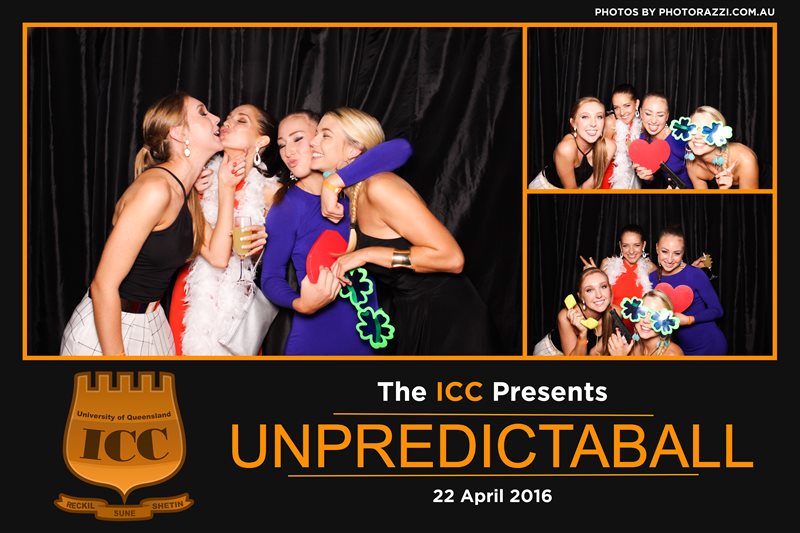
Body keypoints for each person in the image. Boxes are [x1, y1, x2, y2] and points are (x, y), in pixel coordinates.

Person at [60, 91, 244, 355]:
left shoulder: (185, 192)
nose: (216, 118)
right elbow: (103, 286)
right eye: (203, 112)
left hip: (153, 322)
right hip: (109, 328)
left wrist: (225, 186)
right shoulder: (156, 190)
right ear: (179, 133)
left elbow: (218, 256)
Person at [315, 107, 498, 354]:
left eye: (325, 135)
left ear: (353, 150)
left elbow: (452, 258)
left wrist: (367, 254)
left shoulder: (379, 186)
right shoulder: (351, 197)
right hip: (413, 314)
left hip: (452, 318)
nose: (314, 142)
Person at [260, 110, 412, 355]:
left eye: (298, 138)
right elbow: (270, 277)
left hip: (369, 334)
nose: (288, 151)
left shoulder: (354, 189)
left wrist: (334, 183)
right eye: (282, 145)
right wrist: (301, 304)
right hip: (316, 339)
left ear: (319, 139)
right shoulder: (287, 206)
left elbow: (402, 149)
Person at [169, 103, 277, 355]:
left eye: (241, 120)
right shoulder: (199, 180)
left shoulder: (272, 194)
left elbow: (281, 261)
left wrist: (262, 250)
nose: (227, 123)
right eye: (228, 118)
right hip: (192, 296)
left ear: (261, 141)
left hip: (236, 307)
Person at [648, 225, 727, 355]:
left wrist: (690, 319)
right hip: (682, 349)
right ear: (657, 248)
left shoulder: (695, 274)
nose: (669, 259)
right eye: (665, 251)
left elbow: (718, 310)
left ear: (683, 252)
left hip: (711, 345)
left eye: (677, 253)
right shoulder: (651, 279)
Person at [528, 96, 616, 189]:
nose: (593, 123)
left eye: (599, 117)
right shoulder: (566, 148)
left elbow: (591, 184)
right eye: (585, 117)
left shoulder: (609, 147)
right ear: (573, 123)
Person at [532, 267, 617, 356]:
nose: (599, 295)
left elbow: (594, 354)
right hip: (552, 352)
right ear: (581, 297)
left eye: (603, 286)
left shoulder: (615, 313)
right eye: (589, 290)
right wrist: (583, 333)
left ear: (610, 289)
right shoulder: (565, 316)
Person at [684, 105, 759, 189]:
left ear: (721, 135)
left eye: (707, 131)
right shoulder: (692, 165)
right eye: (692, 129)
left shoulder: (745, 159)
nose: (697, 136)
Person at [633, 92, 693, 189]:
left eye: (660, 115)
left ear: (667, 116)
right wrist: (649, 178)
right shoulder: (642, 140)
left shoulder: (678, 138)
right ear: (641, 113)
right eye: (648, 114)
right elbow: (654, 180)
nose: (653, 120)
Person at [607, 289, 684, 356]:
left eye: (655, 316)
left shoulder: (673, 354)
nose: (646, 321)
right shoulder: (633, 346)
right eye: (642, 312)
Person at [601, 84, 643, 189]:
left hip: (632, 179)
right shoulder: (610, 123)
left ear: (636, 104)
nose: (622, 112)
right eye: (616, 108)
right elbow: (599, 157)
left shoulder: (641, 126)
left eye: (627, 105)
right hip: (610, 179)